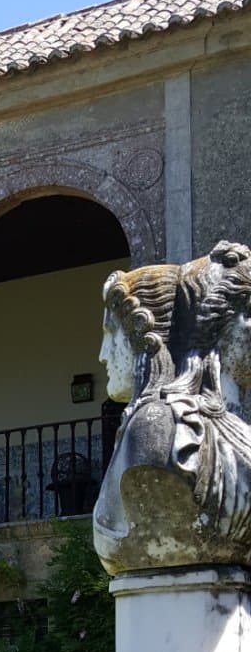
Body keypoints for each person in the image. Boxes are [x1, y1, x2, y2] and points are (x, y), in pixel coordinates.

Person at [94, 244, 251, 573]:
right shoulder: (158, 427)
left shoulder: (160, 431)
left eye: (111, 335)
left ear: (141, 337)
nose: (103, 355)